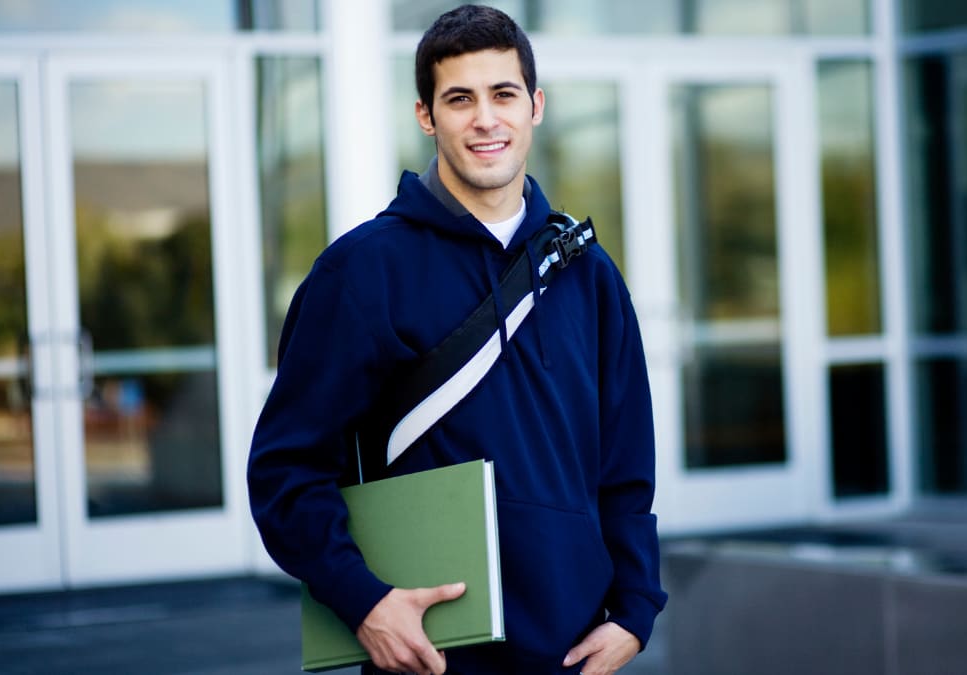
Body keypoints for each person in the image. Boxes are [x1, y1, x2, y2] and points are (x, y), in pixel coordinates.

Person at [246, 5, 667, 675]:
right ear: (426, 115)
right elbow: (285, 473)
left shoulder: (588, 273)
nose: (485, 119)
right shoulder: (362, 272)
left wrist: (637, 609)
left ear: (535, 106)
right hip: (433, 655)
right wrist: (365, 602)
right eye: (459, 98)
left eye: (503, 94)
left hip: (574, 653)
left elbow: (625, 466)